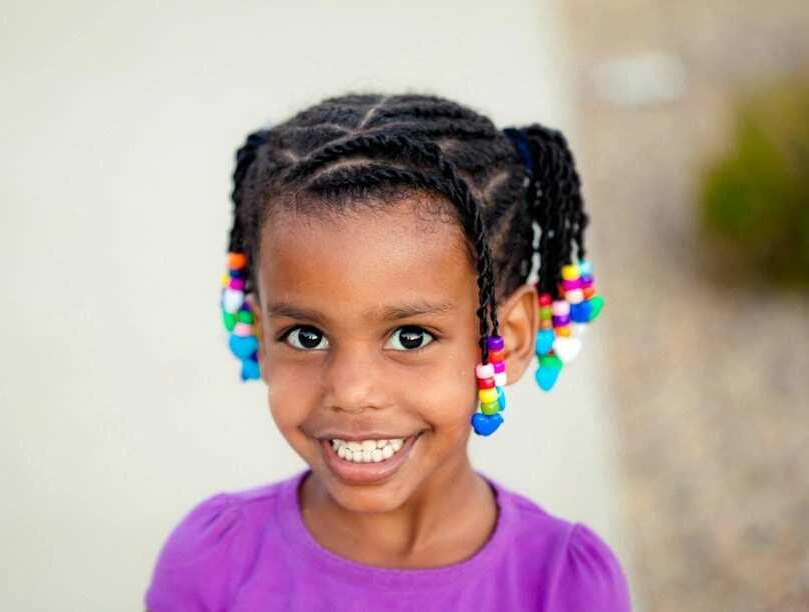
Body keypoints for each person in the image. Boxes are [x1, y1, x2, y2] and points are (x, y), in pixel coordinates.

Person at [144, 93, 631, 611]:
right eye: (307, 336)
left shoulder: (563, 586)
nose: (351, 392)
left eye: (410, 337)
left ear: (507, 340)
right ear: (259, 334)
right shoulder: (213, 564)